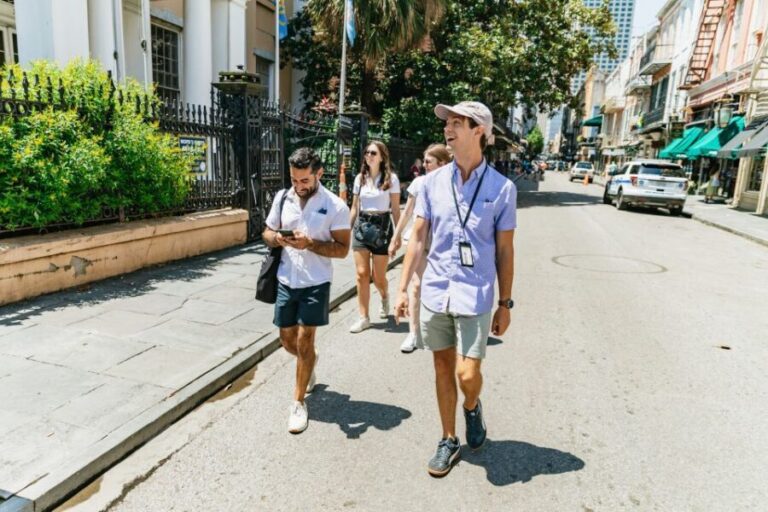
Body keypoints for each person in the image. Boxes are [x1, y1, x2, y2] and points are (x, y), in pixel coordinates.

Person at [394, 101, 517, 477]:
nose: (448, 128)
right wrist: (402, 289)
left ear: (479, 130)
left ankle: (472, 406)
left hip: (475, 292)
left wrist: (505, 303)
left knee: (467, 374)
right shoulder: (432, 183)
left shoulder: (502, 188)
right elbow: (418, 238)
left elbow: (505, 250)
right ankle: (448, 439)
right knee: (442, 366)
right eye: (447, 123)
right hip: (435, 289)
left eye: (457, 123)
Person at [263, 147, 351, 434]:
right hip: (286, 279)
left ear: (318, 174)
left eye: (304, 180)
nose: (298, 186)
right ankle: (310, 362)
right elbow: (266, 232)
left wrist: (310, 243)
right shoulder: (282, 198)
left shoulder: (335, 206)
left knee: (304, 340)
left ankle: (298, 403)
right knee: (287, 340)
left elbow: (343, 249)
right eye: (294, 179)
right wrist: (277, 238)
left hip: (316, 281)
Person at [389, 143, 452, 353]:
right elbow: (407, 212)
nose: (424, 165)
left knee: (441, 287)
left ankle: (441, 330)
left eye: (428, 161)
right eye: (424, 161)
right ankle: (413, 333)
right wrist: (395, 237)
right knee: (416, 285)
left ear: (442, 163)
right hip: (421, 242)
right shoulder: (419, 182)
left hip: (442, 244)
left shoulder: (453, 184)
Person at [349, 141, 402, 333]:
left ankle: (385, 296)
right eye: (367, 152)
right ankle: (364, 317)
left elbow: (395, 209)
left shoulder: (391, 179)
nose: (369, 156)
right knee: (361, 274)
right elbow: (354, 207)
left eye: (373, 153)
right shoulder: (360, 178)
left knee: (378, 277)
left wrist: (398, 236)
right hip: (362, 226)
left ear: (381, 157)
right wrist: (346, 230)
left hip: (382, 227)